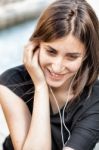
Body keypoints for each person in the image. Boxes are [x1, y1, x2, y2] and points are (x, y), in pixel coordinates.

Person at [0, 0, 99, 149]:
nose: (57, 67)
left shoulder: (95, 99)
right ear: (35, 45)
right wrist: (40, 86)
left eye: (71, 56)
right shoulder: (12, 82)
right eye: (51, 51)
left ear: (86, 56)